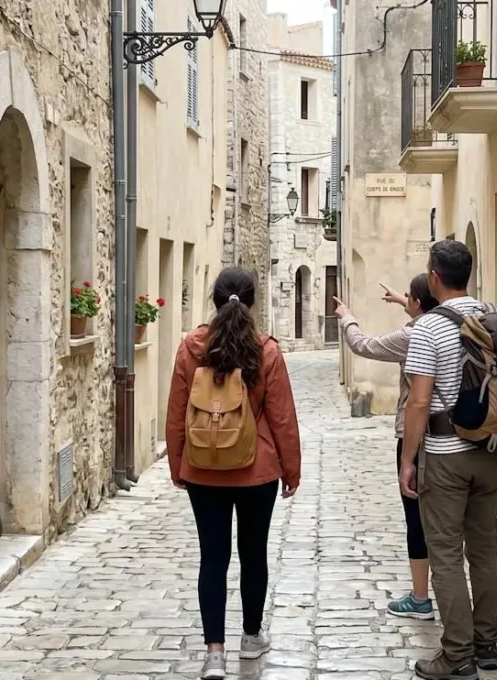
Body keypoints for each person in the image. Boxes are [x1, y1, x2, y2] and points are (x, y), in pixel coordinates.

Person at [165, 268, 302, 680]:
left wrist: (178, 464)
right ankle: (250, 636)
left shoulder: (191, 348)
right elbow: (281, 417)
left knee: (213, 557)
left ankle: (213, 654)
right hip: (256, 471)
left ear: (214, 299)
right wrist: (291, 470)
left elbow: (176, 414)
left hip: (204, 470)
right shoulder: (266, 351)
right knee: (253, 554)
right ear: (253, 301)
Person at [400, 240, 497, 680]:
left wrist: (409, 459)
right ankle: (486, 645)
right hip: (491, 452)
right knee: (485, 550)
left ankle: (457, 654)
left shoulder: (427, 328)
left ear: (435, 278)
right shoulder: (493, 314)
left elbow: (419, 402)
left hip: (445, 456)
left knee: (444, 554)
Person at [332, 275, 439, 620]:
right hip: (456, 440)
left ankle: (421, 597)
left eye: (410, 297)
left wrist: (347, 317)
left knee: (417, 521)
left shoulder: (414, 336)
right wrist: (399, 300)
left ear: (418, 304)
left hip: (419, 439)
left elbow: (365, 345)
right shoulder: (452, 325)